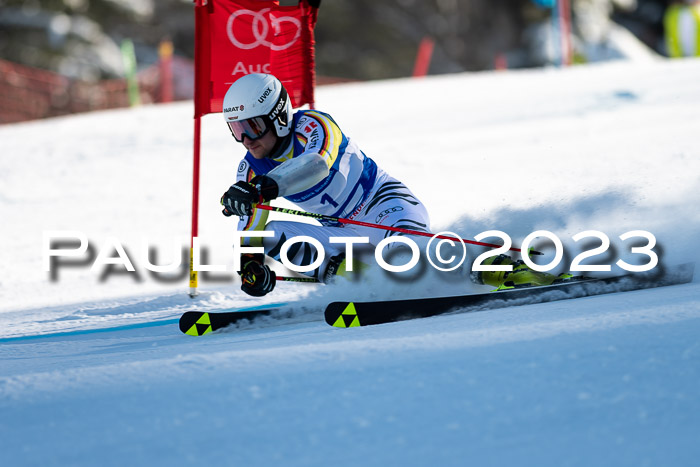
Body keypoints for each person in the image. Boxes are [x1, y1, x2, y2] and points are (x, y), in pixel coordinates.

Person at [220, 73, 569, 297]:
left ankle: (508, 268)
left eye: (252, 127)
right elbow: (251, 226)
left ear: (279, 116)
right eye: (236, 130)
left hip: (384, 206)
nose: (246, 139)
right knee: (272, 231)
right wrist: (251, 265)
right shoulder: (249, 170)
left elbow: (314, 164)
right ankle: (359, 279)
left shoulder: (313, 124)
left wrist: (263, 188)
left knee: (407, 256)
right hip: (340, 231)